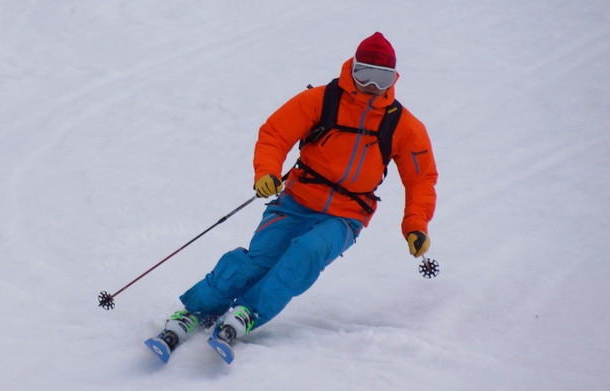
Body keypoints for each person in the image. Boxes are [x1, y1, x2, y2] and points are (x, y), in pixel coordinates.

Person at [150, 32, 438, 359]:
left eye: (381, 78)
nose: (372, 86)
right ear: (352, 69)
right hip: (297, 201)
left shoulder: (402, 125)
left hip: (346, 215)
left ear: (394, 78)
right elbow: (275, 134)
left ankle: (248, 312)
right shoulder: (322, 100)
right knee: (258, 260)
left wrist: (416, 225)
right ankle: (195, 311)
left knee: (306, 253)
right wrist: (267, 173)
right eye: (364, 75)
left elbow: (421, 178)